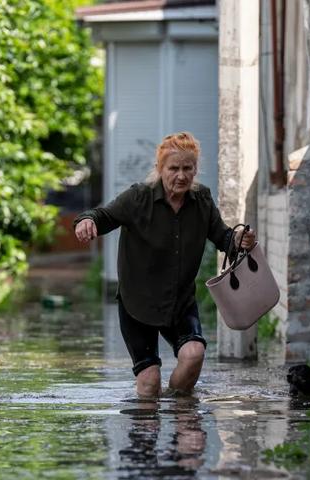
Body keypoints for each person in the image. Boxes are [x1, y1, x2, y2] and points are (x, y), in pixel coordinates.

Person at [74, 132, 255, 397]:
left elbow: (223, 237)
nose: (181, 176)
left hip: (180, 302)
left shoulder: (202, 200)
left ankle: (180, 417)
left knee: (194, 355)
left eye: (187, 168)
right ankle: (147, 432)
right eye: (173, 168)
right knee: (149, 383)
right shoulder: (138, 198)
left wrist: (239, 240)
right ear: (160, 169)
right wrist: (85, 221)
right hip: (138, 304)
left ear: (195, 169)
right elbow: (103, 215)